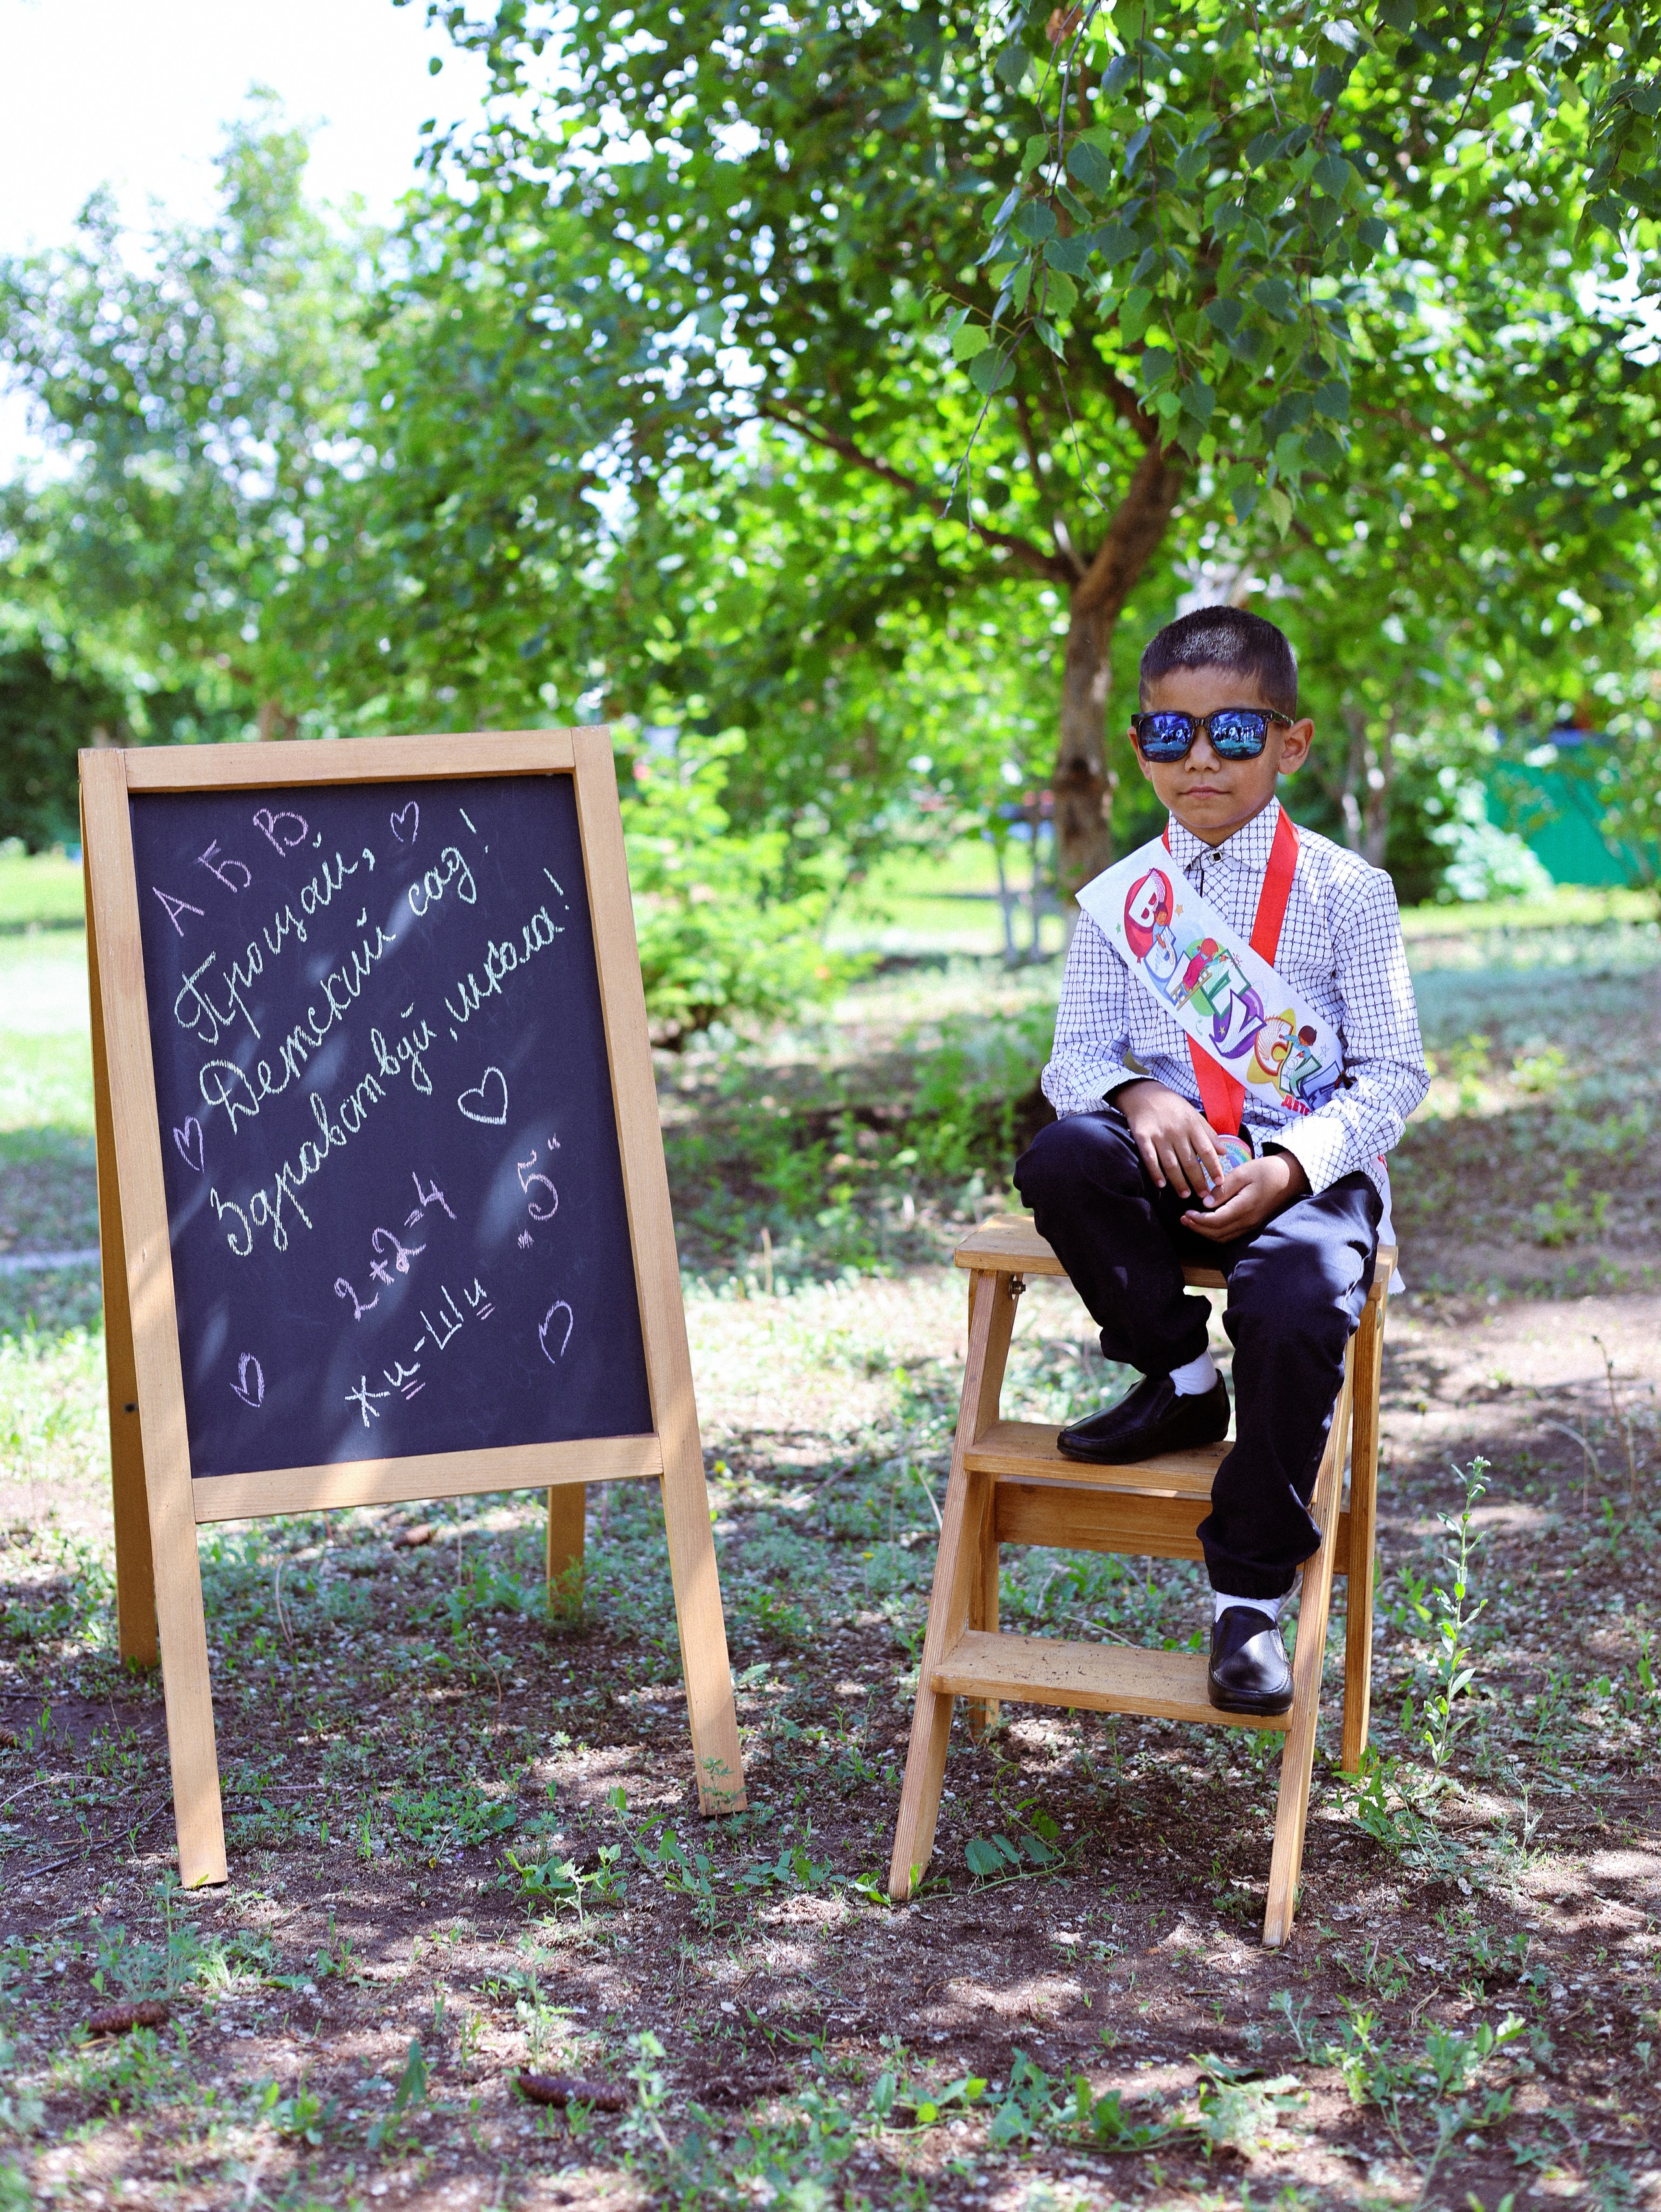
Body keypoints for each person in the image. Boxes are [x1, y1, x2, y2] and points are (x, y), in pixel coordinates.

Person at [1014, 607, 1427, 1716]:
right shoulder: (1124, 902)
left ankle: (1247, 1599)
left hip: (1302, 1166)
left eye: (1234, 733)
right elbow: (1075, 1056)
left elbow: (1394, 1075)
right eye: (1169, 734)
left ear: (1289, 744)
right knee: (1061, 1157)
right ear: (1142, 741)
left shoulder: (1349, 893)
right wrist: (1141, 1094)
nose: (1199, 758)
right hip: (1176, 1159)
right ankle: (1183, 1378)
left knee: (1298, 1297)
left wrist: (1292, 1166)